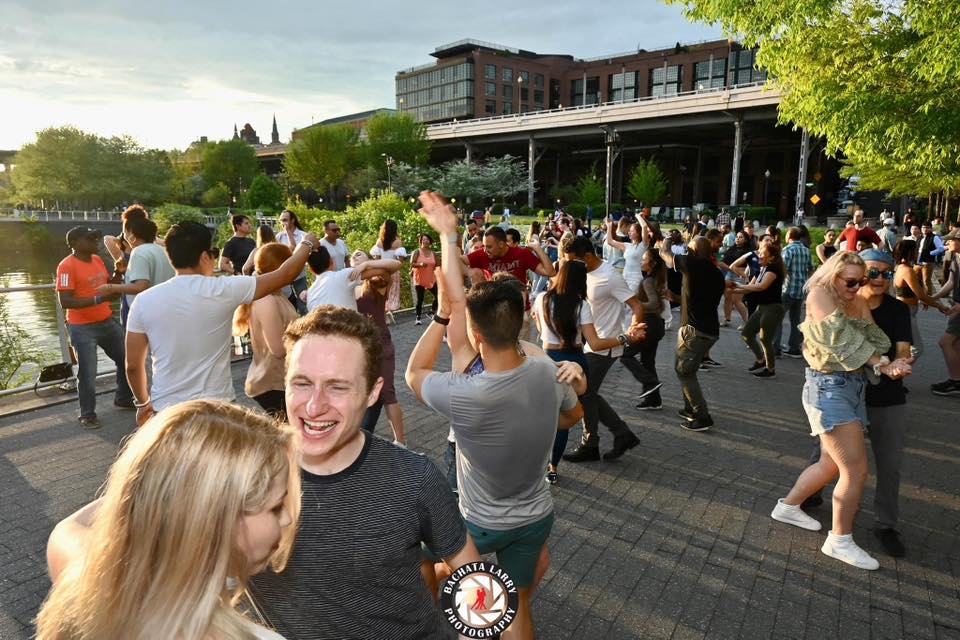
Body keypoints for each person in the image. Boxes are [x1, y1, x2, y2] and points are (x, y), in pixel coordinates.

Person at [407, 191, 586, 640]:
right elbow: (572, 418)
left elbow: (414, 374)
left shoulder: (465, 389)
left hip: (480, 524)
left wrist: (447, 240)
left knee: (424, 556)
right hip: (536, 515)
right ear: (523, 318)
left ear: (475, 333)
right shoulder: (546, 368)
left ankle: (438, 622)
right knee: (518, 603)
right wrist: (576, 379)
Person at [248, 306, 480, 639]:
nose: (314, 406)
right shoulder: (243, 476)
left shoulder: (414, 479)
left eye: (337, 387)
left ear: (373, 392)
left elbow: (474, 579)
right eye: (301, 383)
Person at [37, 400, 299, 640]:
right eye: (276, 507)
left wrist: (164, 478)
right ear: (216, 518)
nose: (287, 518)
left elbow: (67, 529)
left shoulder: (88, 584)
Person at [770, 251, 911, 570]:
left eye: (861, 280)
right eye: (851, 281)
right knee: (856, 471)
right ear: (833, 275)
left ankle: (788, 506)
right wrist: (882, 365)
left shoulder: (855, 299)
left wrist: (890, 358)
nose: (857, 286)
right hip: (828, 388)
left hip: (852, 386)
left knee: (830, 464)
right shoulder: (820, 293)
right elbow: (843, 342)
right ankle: (839, 540)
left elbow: (876, 339)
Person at [125, 221, 319, 426]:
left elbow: (132, 366)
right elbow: (284, 275)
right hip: (216, 409)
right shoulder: (223, 289)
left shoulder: (144, 301)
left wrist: (142, 403)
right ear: (204, 256)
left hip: (166, 411)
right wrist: (306, 243)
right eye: (214, 252)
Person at [532, 260, 643, 483]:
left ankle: (545, 461)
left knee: (548, 413)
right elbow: (595, 342)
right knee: (568, 412)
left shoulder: (542, 299)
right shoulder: (581, 305)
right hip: (575, 361)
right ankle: (553, 467)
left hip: (547, 360)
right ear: (581, 281)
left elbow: (539, 329)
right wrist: (626, 338)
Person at [561, 236, 646, 462]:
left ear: (587, 257)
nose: (570, 266)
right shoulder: (584, 273)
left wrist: (633, 330)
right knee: (587, 393)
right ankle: (620, 434)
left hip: (605, 346)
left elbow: (635, 304)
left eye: (573, 262)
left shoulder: (609, 277)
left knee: (584, 393)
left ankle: (593, 443)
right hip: (588, 344)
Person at [55, 227, 134, 429]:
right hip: (82, 327)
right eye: (91, 238)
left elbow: (109, 286)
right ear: (74, 243)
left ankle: (123, 398)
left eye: (97, 237)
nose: (97, 241)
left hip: (106, 321)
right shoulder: (66, 266)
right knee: (88, 373)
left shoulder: (98, 260)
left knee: (128, 359)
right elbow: (66, 301)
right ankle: (87, 414)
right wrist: (101, 298)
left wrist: (118, 273)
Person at [659, 235, 726, 432]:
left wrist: (668, 240)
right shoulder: (716, 273)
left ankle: (701, 415)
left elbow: (665, 254)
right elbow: (699, 300)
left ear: (694, 252)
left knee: (684, 371)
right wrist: (676, 297)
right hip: (710, 331)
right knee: (689, 370)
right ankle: (689, 407)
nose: (686, 252)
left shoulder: (692, 263)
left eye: (688, 249)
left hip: (693, 331)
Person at [234, 243, 299, 417]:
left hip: (281, 380)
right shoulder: (266, 299)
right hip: (271, 383)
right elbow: (277, 349)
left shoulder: (276, 293)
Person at [352, 251, 406, 445]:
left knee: (387, 393)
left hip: (380, 344)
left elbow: (394, 265)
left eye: (360, 255)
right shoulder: (347, 286)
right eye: (353, 256)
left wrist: (365, 267)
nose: (355, 257)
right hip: (358, 349)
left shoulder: (376, 283)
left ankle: (400, 442)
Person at [95, 216, 174, 322]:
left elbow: (140, 287)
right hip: (164, 311)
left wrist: (109, 287)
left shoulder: (139, 252)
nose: (124, 236)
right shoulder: (164, 251)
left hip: (144, 314)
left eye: (125, 233)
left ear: (132, 236)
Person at [731, 242, 786, 378]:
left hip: (773, 308)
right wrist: (734, 289)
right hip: (762, 307)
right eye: (759, 252)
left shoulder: (773, 269)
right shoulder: (763, 268)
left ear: (771, 257)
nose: (759, 255)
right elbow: (751, 286)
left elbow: (761, 287)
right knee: (746, 333)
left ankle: (770, 369)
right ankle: (761, 360)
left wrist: (737, 286)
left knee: (765, 339)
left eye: (762, 253)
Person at [893, 238, 949, 359]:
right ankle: (895, 374)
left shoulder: (905, 267)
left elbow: (919, 293)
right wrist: (939, 306)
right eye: (916, 250)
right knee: (916, 349)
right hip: (905, 312)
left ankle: (896, 373)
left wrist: (925, 299)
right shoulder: (906, 270)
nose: (918, 252)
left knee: (905, 348)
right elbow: (921, 296)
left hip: (907, 310)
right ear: (909, 252)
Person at [304, 245, 400, 312]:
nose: (353, 257)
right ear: (331, 262)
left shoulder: (377, 281)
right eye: (351, 256)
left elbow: (395, 265)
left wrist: (366, 264)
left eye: (358, 254)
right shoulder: (344, 278)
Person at [629, 248, 668, 410]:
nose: (641, 261)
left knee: (625, 354)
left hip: (650, 325)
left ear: (651, 264)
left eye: (644, 259)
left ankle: (650, 382)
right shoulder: (655, 279)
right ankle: (654, 400)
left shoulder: (648, 281)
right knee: (647, 362)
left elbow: (654, 304)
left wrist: (635, 304)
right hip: (656, 325)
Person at [929, 229, 960, 395]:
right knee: (955, 345)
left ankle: (956, 382)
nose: (947, 243)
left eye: (951, 240)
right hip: (956, 305)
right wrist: (932, 298)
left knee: (945, 342)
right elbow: (950, 282)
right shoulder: (955, 257)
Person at [779, 227, 814, 358]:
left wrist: (784, 280)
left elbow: (783, 268)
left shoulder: (787, 250)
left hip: (788, 288)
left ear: (790, 236)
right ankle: (794, 348)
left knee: (778, 318)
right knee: (796, 319)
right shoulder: (806, 250)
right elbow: (811, 268)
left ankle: (776, 347)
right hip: (801, 288)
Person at [275, 210, 309, 314]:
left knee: (303, 303)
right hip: (284, 275)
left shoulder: (303, 235)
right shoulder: (279, 236)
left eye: (285, 220)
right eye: (281, 220)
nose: (282, 223)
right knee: (287, 303)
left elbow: (298, 254)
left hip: (299, 274)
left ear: (292, 220)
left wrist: (289, 234)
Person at [371, 219, 408, 314]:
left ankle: (382, 310)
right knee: (392, 292)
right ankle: (389, 311)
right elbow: (400, 261)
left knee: (381, 290)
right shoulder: (398, 242)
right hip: (393, 270)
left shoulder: (379, 241)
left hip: (381, 270)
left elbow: (377, 259)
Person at [720, 231, 751, 328]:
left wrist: (745, 275)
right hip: (729, 274)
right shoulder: (731, 249)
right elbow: (724, 261)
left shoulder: (748, 251)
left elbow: (750, 266)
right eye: (737, 237)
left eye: (741, 237)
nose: (737, 239)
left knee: (737, 300)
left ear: (745, 239)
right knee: (728, 297)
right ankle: (726, 319)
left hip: (740, 275)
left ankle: (747, 322)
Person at [410, 233, 438, 325]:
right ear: (420, 241)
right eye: (424, 239)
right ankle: (418, 318)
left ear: (430, 241)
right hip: (419, 278)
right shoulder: (417, 252)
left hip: (430, 278)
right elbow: (412, 264)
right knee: (420, 298)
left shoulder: (433, 253)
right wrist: (420, 264)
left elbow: (438, 264)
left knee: (438, 295)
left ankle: (432, 312)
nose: (425, 241)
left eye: (427, 239)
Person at [916, 222, 946, 295]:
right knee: (917, 281)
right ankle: (920, 296)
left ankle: (928, 298)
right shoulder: (920, 237)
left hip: (927, 263)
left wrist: (931, 253)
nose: (925, 229)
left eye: (927, 227)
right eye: (923, 227)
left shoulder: (934, 237)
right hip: (917, 262)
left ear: (931, 228)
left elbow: (941, 248)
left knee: (926, 281)